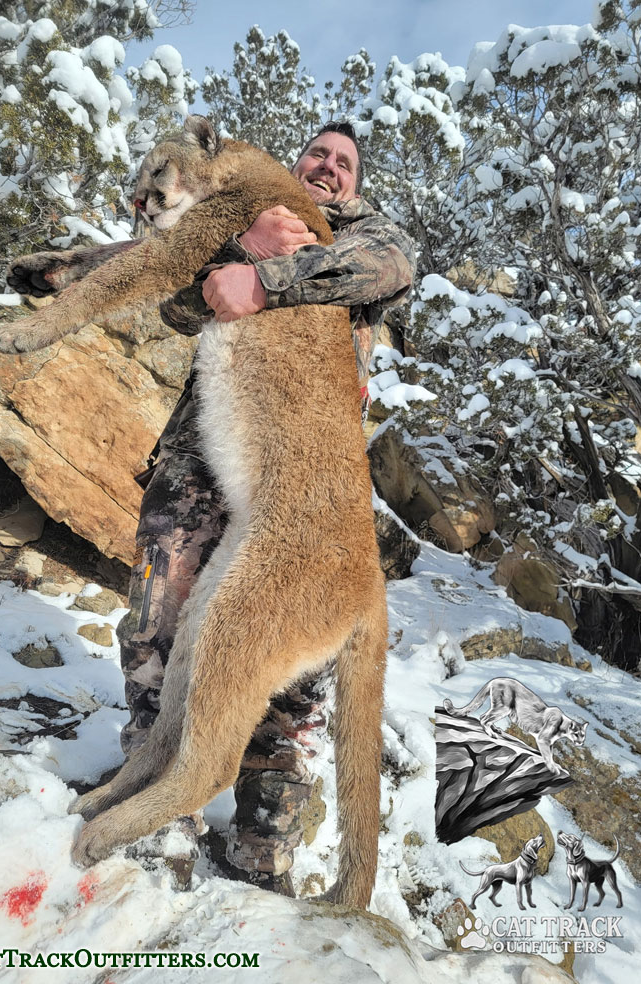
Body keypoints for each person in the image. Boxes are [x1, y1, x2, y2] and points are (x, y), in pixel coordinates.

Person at [33, 122, 415, 894]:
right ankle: (153, 788)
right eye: (317, 154)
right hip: (204, 458)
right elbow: (181, 305)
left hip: (300, 475)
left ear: (356, 183)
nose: (328, 168)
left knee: (278, 676)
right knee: (165, 628)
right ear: (293, 161)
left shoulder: (367, 235)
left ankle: (260, 834)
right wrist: (240, 241)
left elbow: (386, 269)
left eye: (344, 163)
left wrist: (267, 276)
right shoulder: (240, 216)